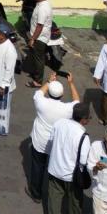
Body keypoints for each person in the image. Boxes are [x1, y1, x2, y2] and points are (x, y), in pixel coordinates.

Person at [27, 73, 79, 201]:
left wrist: (49, 81)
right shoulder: (66, 109)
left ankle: (36, 193)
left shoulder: (41, 103)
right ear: (61, 95)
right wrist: (71, 83)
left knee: (37, 167)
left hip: (39, 141)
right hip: (56, 144)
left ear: (49, 92)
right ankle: (53, 195)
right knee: (53, 169)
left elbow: (39, 92)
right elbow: (77, 102)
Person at [45, 103, 91, 214]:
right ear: (83, 120)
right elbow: (83, 161)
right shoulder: (83, 136)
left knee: (54, 197)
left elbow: (51, 140)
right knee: (75, 199)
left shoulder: (59, 123)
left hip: (54, 169)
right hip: (71, 175)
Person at [25, 0, 53, 86]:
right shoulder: (42, 4)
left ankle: (38, 81)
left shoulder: (42, 8)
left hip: (40, 37)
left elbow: (40, 25)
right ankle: (36, 74)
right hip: (40, 36)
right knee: (37, 57)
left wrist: (33, 39)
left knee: (39, 59)